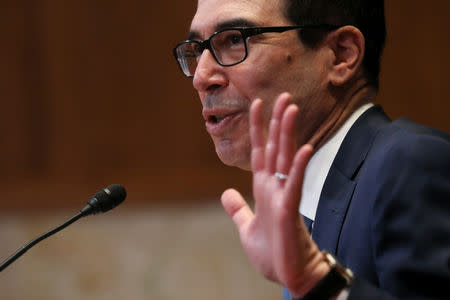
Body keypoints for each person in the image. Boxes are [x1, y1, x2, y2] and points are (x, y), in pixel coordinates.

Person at [173, 0, 450, 299]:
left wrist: (315, 281)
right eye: (196, 50)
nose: (201, 78)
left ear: (341, 55)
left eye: (235, 40)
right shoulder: (307, 207)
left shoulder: (409, 163)